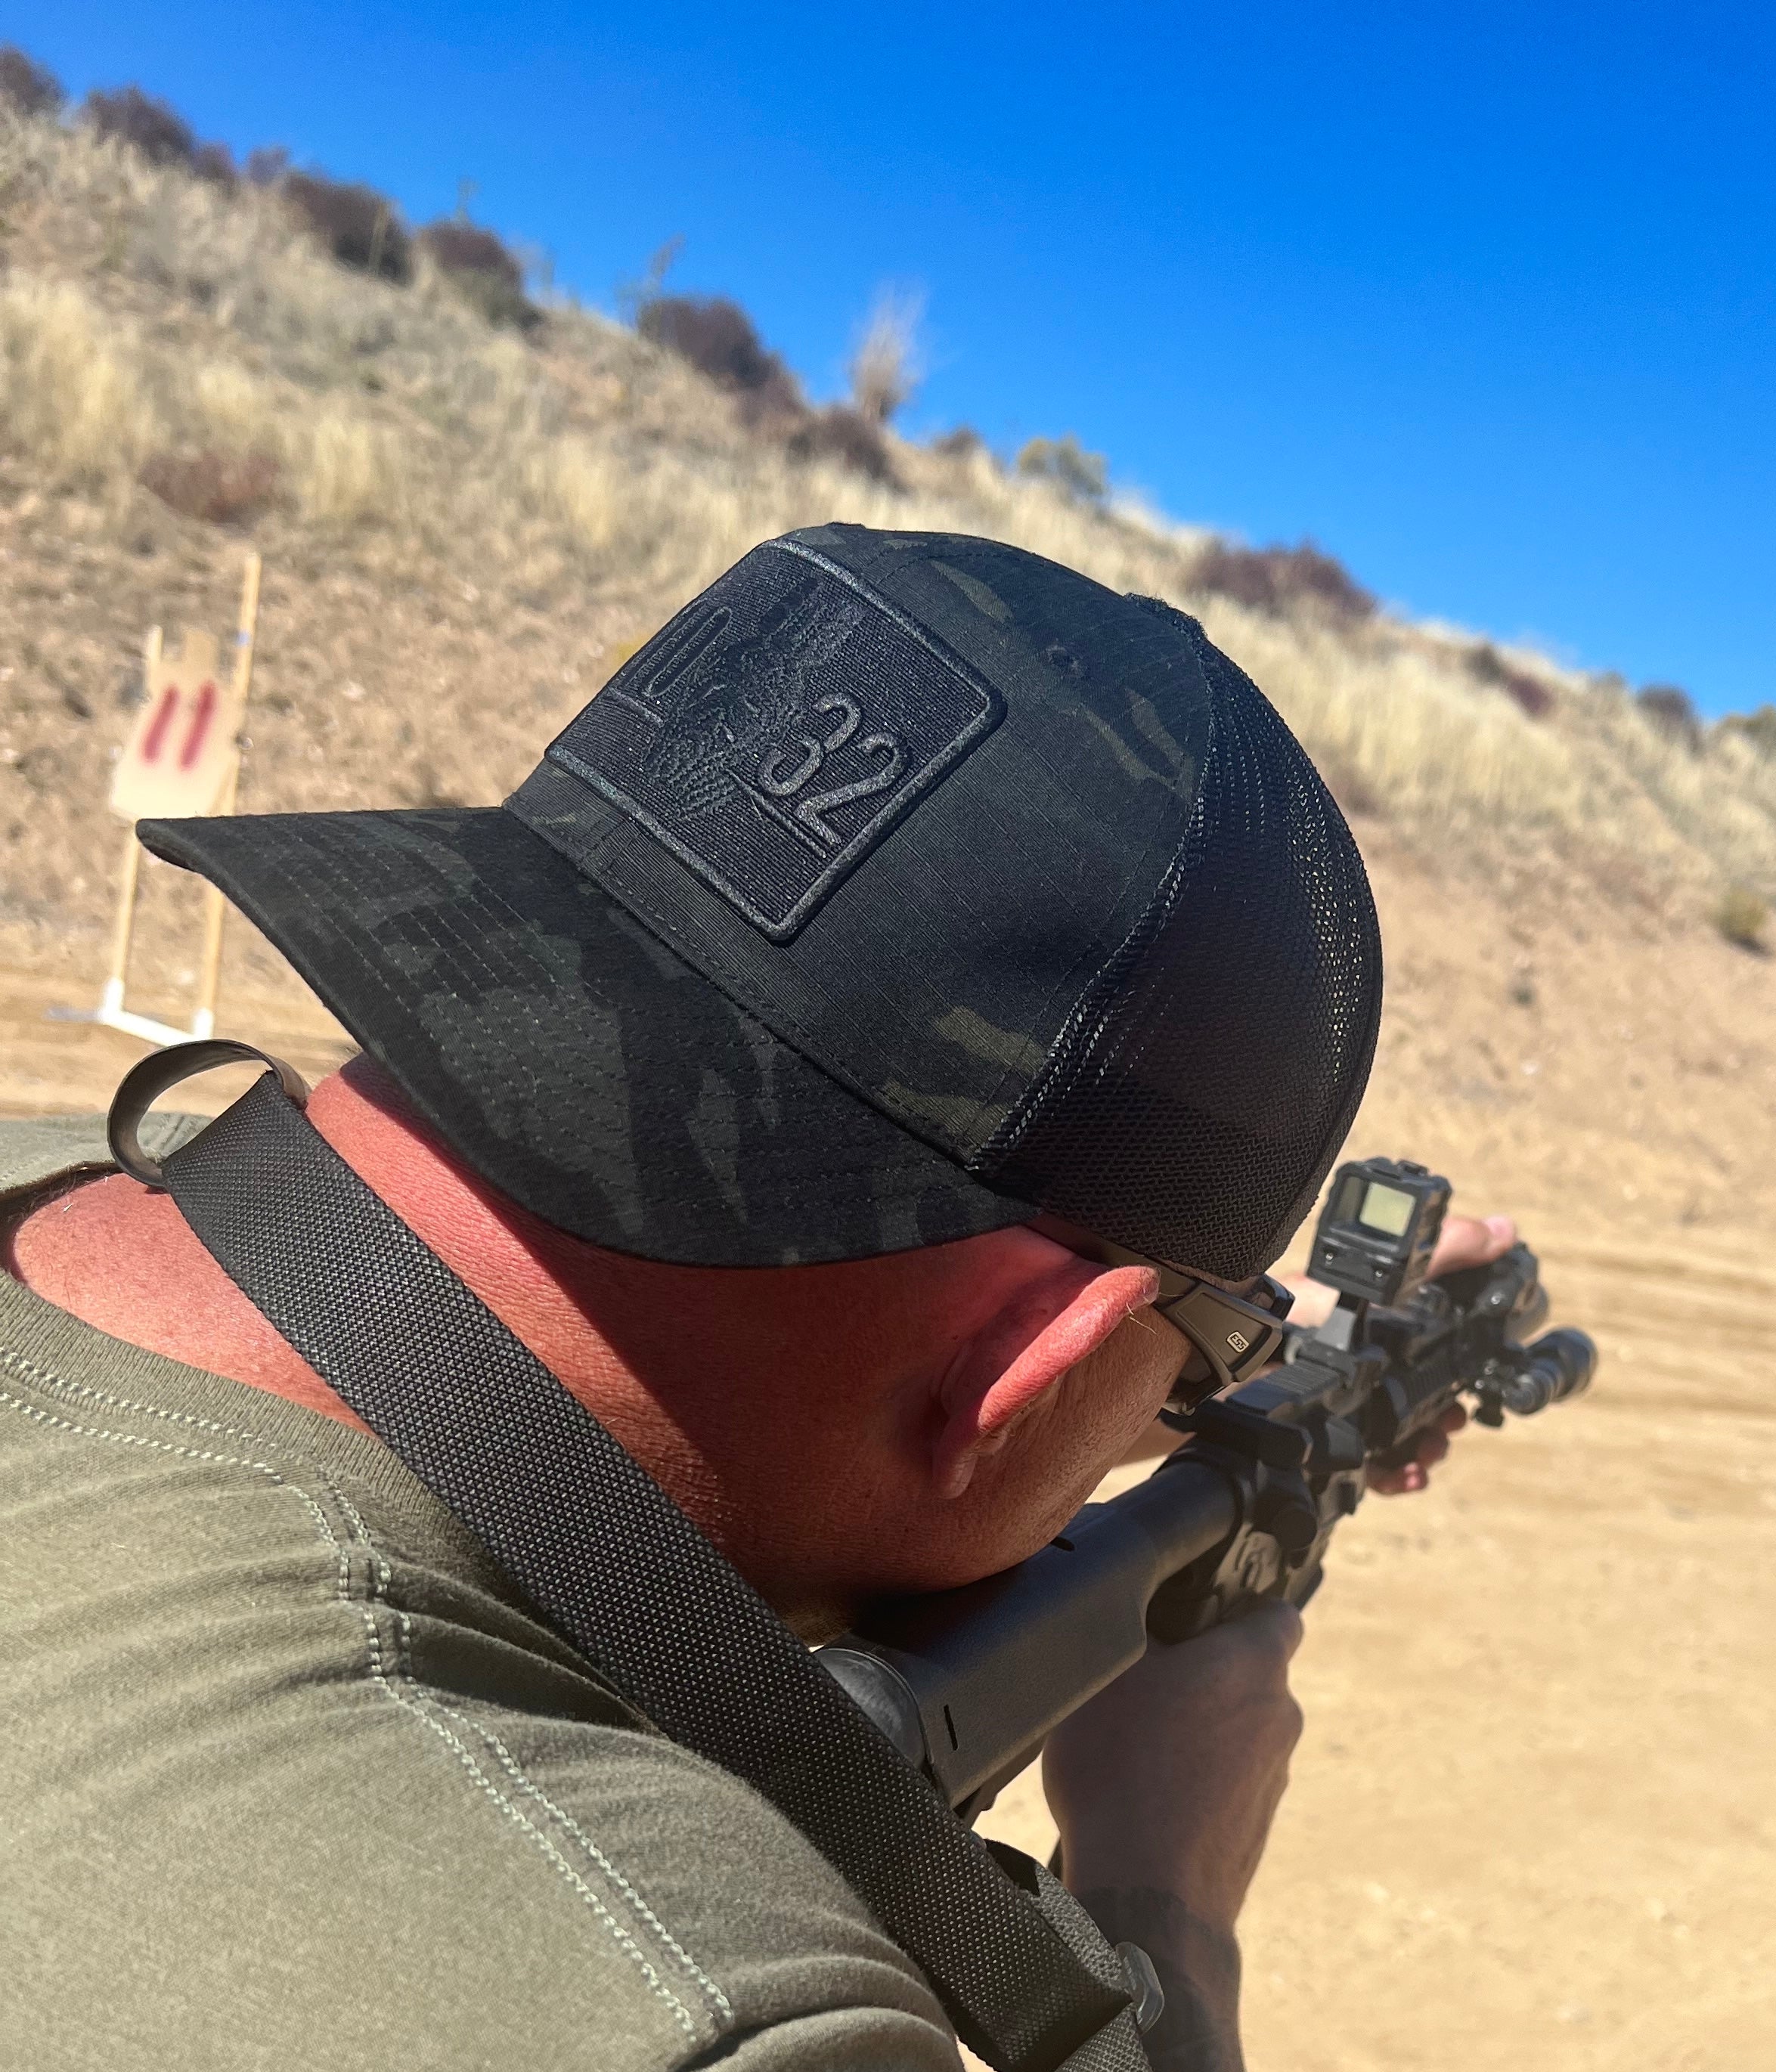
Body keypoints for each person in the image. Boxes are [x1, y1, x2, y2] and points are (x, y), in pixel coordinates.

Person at [0, 525, 1505, 2071]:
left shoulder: (51, 1174)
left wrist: (1245, 1355)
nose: (1175, 1412)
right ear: (1022, 1366)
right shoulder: (704, 2011)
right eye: (1193, 1367)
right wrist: (1166, 1907)